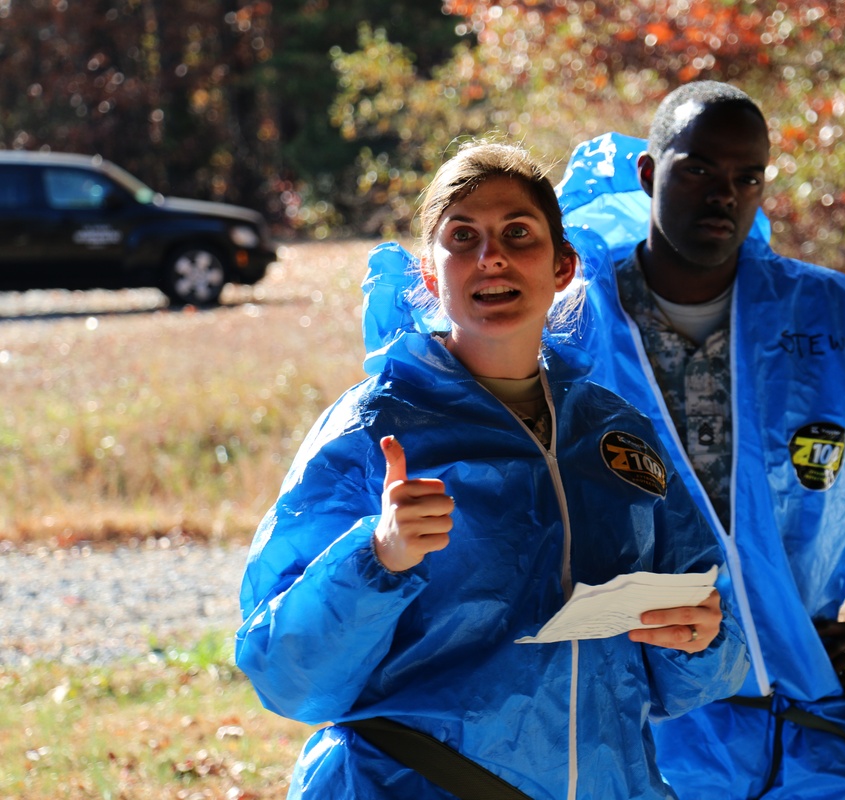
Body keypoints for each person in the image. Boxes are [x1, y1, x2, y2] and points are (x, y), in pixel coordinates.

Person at [235, 139, 749, 799]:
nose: (493, 256)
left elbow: (697, 666)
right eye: (463, 236)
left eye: (517, 233)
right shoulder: (370, 431)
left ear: (563, 266)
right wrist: (376, 556)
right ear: (428, 273)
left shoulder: (616, 432)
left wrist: (701, 637)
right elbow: (286, 673)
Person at [554, 81, 845, 798]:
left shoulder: (836, 320)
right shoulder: (572, 327)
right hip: (643, 723)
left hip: (806, 714)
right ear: (648, 173)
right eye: (697, 169)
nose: (723, 194)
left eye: (746, 176)